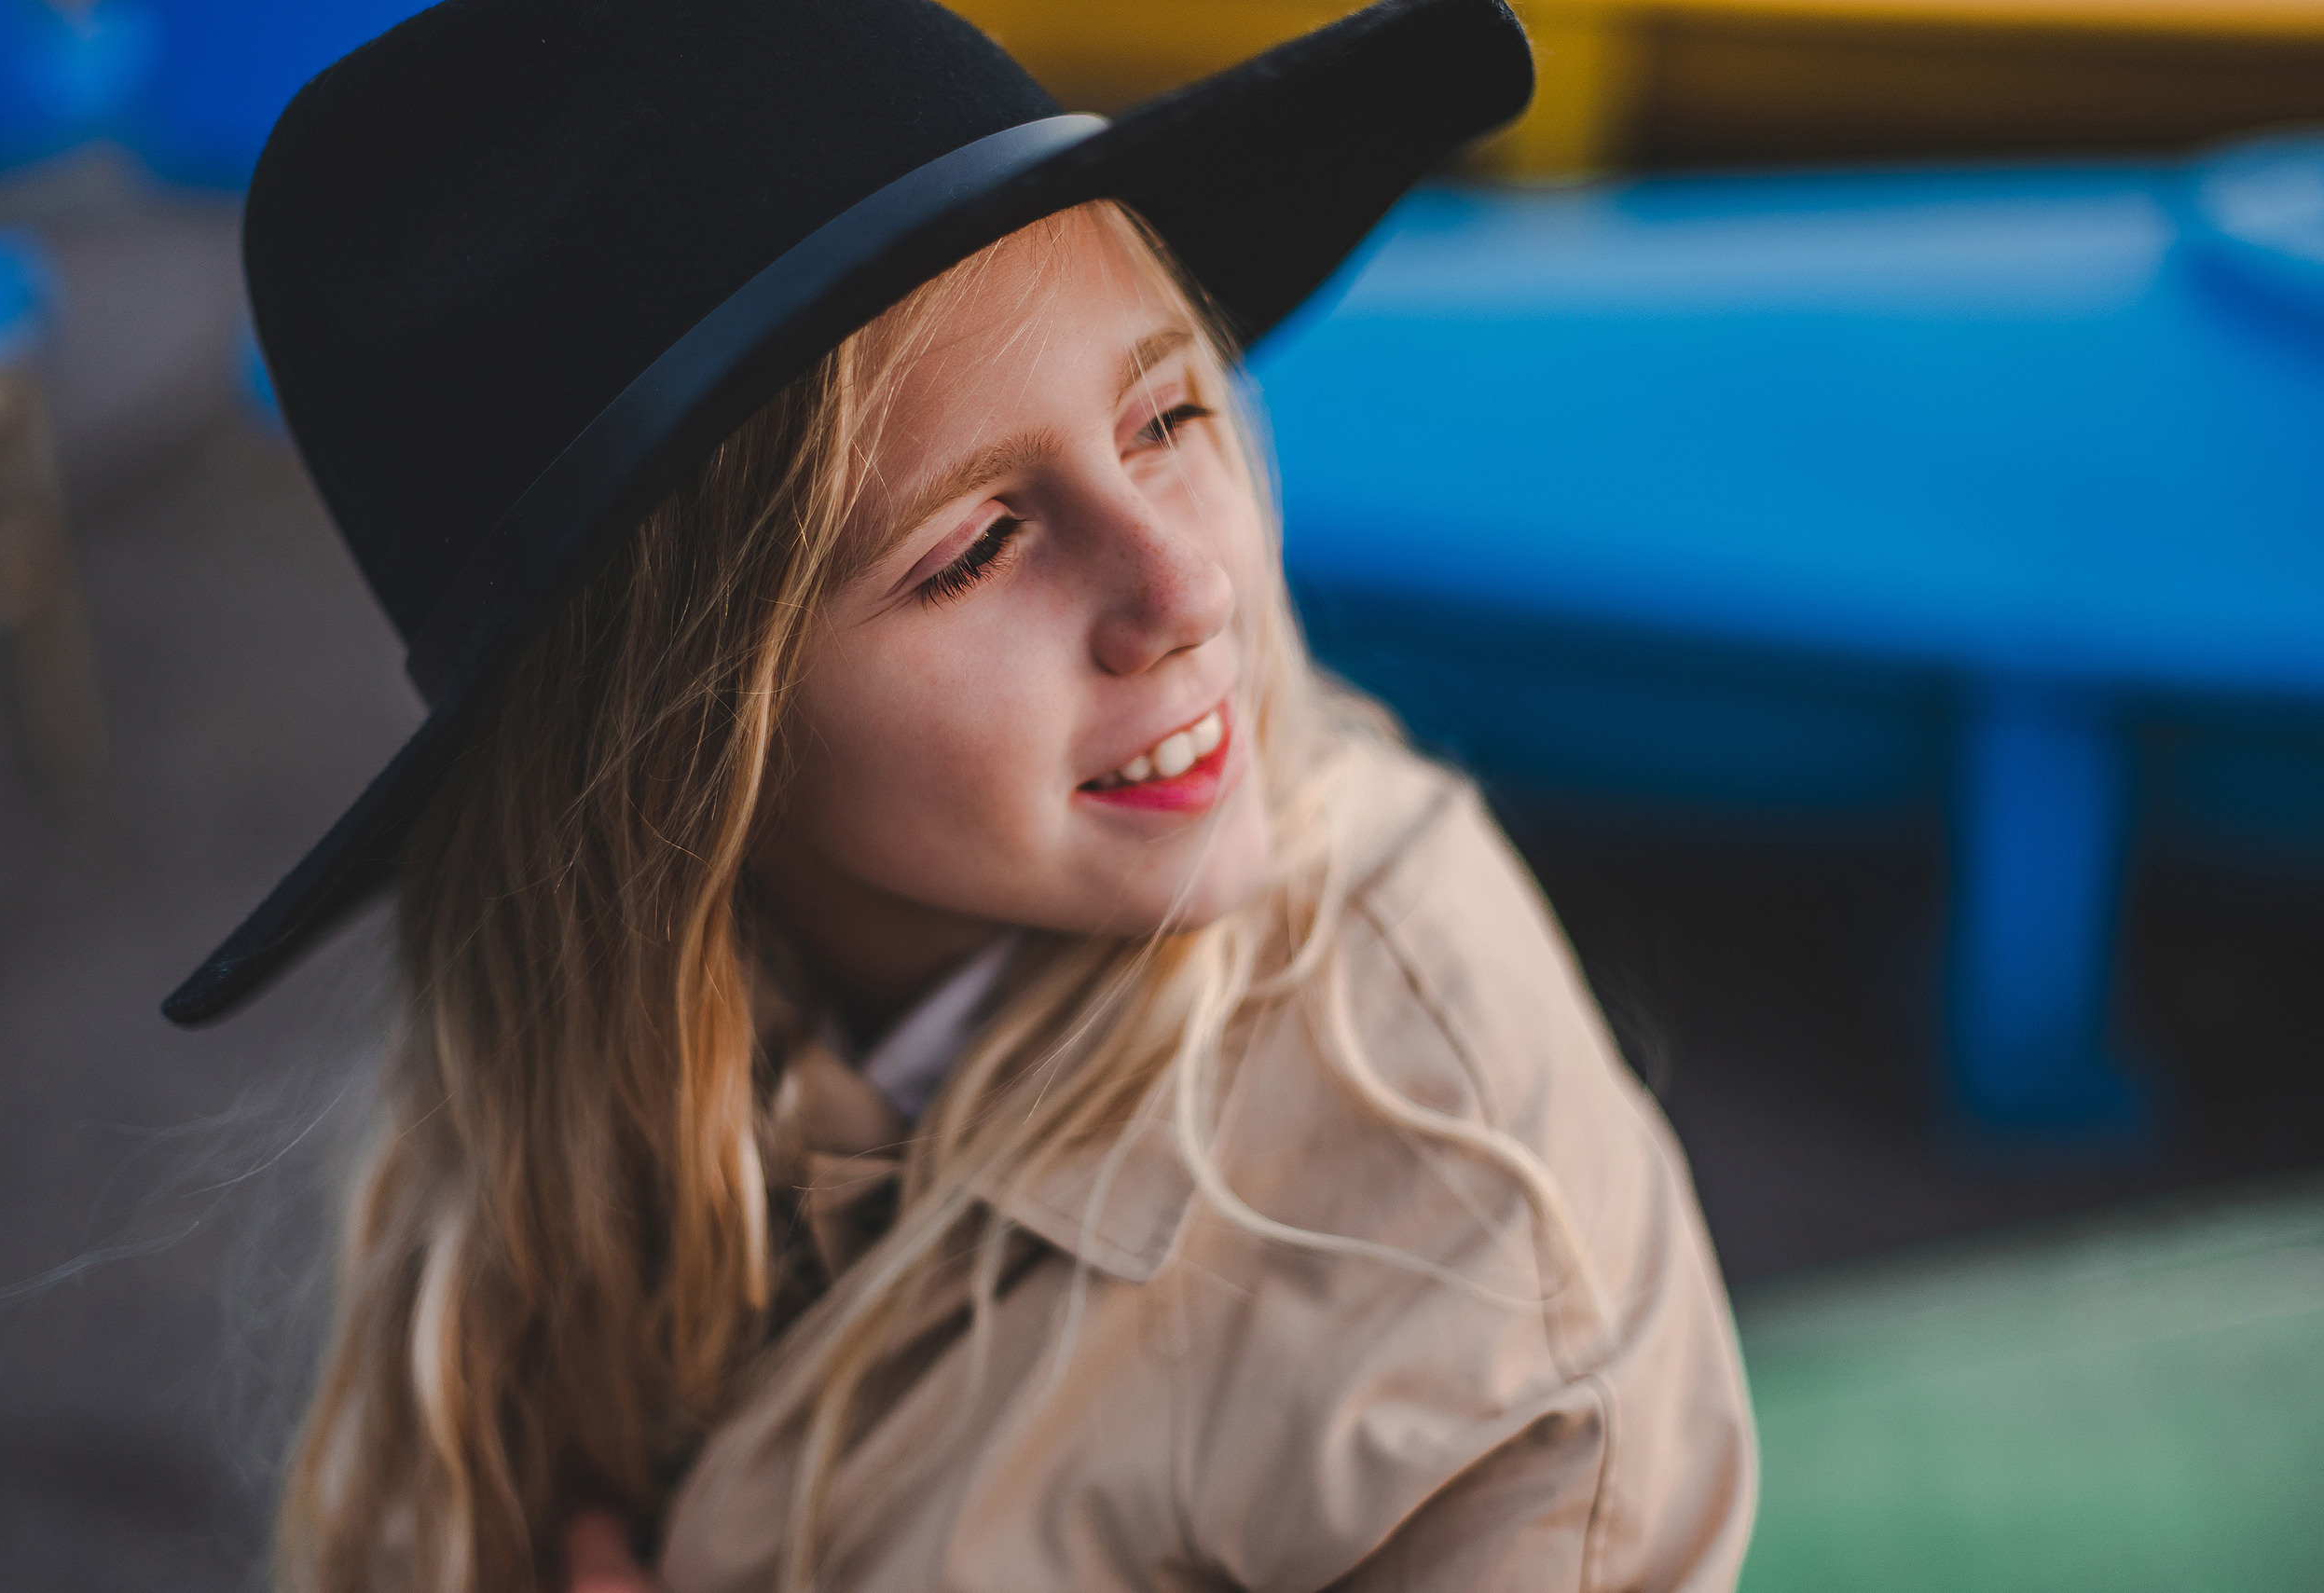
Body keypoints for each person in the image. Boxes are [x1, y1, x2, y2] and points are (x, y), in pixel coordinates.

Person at [167, 1, 1757, 1588]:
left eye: (1170, 412)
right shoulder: (562, 1109)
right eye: (976, 546)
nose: (1187, 586)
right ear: (674, 742)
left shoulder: (1464, 1243)